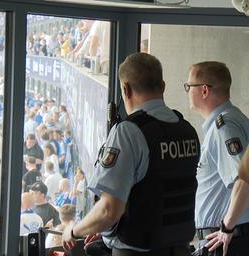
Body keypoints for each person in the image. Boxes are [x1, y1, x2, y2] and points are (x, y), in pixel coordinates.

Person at [62, 52, 200, 256]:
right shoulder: (187, 130)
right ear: (162, 86)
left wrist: (73, 231)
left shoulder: (129, 132)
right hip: (180, 248)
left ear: (125, 89)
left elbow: (109, 210)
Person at [184, 61, 249, 256]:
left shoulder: (224, 128)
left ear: (204, 90)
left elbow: (243, 179)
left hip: (228, 242)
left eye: (189, 87)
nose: (187, 91)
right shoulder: (235, 119)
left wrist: (227, 226)